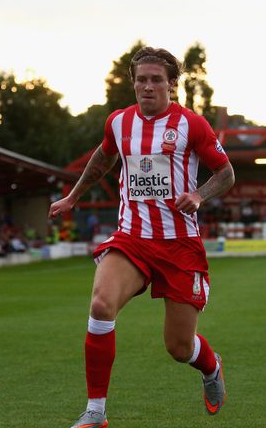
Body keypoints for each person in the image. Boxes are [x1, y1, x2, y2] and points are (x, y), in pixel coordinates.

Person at [49, 46, 235, 428]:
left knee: (179, 347)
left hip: (180, 245)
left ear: (172, 85)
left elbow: (226, 173)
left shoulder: (192, 125)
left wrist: (199, 195)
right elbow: (102, 160)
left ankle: (211, 367)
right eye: (141, 80)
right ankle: (95, 413)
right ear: (133, 83)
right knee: (101, 306)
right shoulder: (118, 122)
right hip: (132, 237)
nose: (147, 87)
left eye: (156, 80)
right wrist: (73, 196)